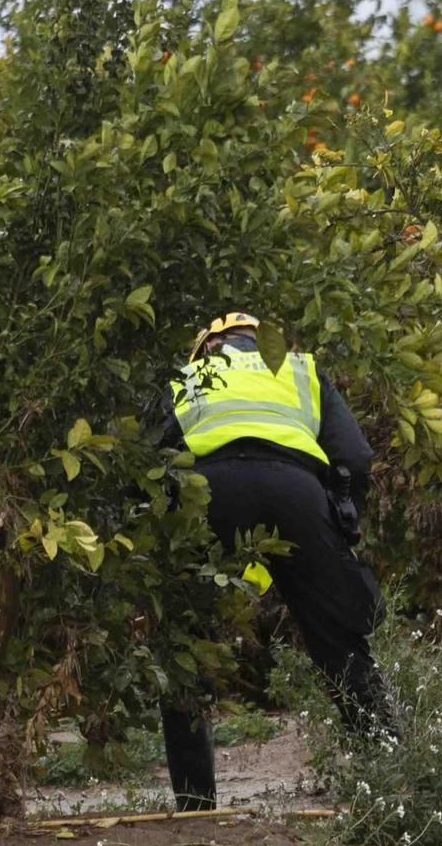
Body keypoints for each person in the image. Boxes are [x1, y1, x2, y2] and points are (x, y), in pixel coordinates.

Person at [158, 313, 394, 810]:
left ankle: (195, 805)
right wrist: (341, 518)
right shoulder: (301, 370)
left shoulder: (188, 375)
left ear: (208, 346)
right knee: (339, 642)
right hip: (296, 491)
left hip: (208, 491)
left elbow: (151, 453)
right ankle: (392, 777)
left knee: (186, 648)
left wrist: (163, 528)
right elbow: (355, 456)